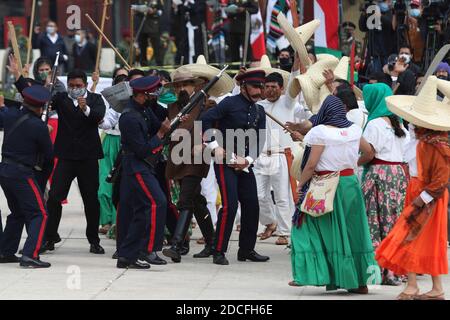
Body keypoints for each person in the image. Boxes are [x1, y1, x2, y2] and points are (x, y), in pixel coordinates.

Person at [289, 95, 379, 293]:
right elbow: (370, 153)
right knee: (352, 231)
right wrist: (350, 165)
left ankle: (314, 273)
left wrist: (300, 185)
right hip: (349, 184)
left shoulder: (319, 131)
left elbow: (311, 164)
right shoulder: (354, 129)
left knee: (309, 228)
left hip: (324, 185)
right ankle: (359, 282)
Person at [376, 76, 450, 300]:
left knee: (413, 237)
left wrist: (423, 198)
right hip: (418, 191)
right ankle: (429, 286)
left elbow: (442, 177)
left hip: (428, 196)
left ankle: (414, 285)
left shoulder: (436, 144)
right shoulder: (421, 139)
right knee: (421, 238)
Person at [201, 70, 269, 265]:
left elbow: (260, 138)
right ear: (243, 86)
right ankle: (218, 250)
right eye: (255, 87)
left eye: (260, 87)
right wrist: (214, 146)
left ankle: (246, 250)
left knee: (252, 206)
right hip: (225, 161)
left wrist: (247, 160)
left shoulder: (259, 110)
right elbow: (205, 120)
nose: (259, 91)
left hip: (245, 164)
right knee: (229, 206)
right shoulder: (229, 103)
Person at [40, 69, 106, 255]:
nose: (75, 89)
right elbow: (42, 100)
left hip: (88, 158)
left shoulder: (95, 99)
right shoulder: (61, 98)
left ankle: (93, 240)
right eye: (72, 86)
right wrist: (46, 84)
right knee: (54, 198)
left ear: (85, 85)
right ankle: (50, 237)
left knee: (91, 200)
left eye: (78, 86)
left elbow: (98, 117)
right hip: (66, 157)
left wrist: (85, 108)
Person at [116, 76, 170, 269]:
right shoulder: (129, 117)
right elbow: (142, 150)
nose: (154, 96)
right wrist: (161, 134)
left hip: (142, 166)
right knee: (157, 202)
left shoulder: (144, 110)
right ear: (141, 95)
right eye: (151, 93)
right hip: (136, 166)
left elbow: (158, 126)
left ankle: (126, 256)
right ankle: (148, 249)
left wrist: (174, 123)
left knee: (140, 212)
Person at [358, 83, 409, 286]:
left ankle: (377, 270)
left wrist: (354, 163)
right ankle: (395, 270)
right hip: (398, 174)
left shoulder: (374, 124)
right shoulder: (399, 123)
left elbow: (369, 152)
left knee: (374, 222)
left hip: (379, 174)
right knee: (394, 222)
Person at [162, 68, 215, 263]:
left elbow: (214, 131)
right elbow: (168, 135)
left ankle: (177, 244)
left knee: (185, 200)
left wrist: (204, 144)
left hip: (196, 159)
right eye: (178, 86)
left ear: (195, 86)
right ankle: (211, 241)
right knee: (196, 202)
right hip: (178, 159)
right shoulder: (173, 107)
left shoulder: (207, 104)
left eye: (185, 84)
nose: (181, 88)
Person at [0, 86, 53, 268]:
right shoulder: (39, 126)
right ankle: (30, 255)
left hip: (5, 170)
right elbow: (48, 155)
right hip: (22, 173)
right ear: (41, 107)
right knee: (40, 213)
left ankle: (6, 252)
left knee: (18, 212)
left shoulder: (10, 115)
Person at [254, 62, 299, 246]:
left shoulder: (287, 102)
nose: (270, 90)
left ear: (281, 89)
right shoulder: (258, 106)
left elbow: (294, 82)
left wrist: (296, 64)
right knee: (258, 195)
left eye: (274, 87)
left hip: (281, 155)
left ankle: (284, 232)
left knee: (282, 196)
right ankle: (270, 222)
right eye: (267, 87)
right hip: (260, 156)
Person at [135, 0, 164, 66]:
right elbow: (135, 9)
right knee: (142, 46)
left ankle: (159, 64)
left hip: (153, 26)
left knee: (156, 46)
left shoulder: (158, 1)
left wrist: (153, 11)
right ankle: (143, 64)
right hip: (142, 26)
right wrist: (139, 10)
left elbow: (161, 12)